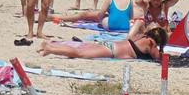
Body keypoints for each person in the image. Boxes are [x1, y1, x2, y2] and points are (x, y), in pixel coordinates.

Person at [39, 27, 167, 61]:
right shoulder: (150, 43)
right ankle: (51, 49)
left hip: (111, 44)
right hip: (112, 51)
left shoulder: (141, 36)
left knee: (83, 49)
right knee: (80, 54)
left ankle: (51, 46)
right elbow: (158, 57)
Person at [63, 0, 134, 33]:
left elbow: (100, 14)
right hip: (125, 27)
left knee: (104, 17)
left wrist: (100, 21)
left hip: (112, 27)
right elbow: (131, 17)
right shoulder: (129, 0)